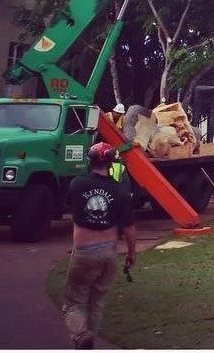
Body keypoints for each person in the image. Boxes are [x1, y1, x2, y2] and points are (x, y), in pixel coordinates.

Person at [62, 142, 136, 350]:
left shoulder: (77, 184)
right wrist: (131, 254)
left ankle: (80, 335)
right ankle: (88, 341)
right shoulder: (120, 190)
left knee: (73, 303)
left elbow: (70, 207)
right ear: (111, 163)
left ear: (90, 161)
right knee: (96, 303)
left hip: (84, 252)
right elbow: (130, 228)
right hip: (109, 253)